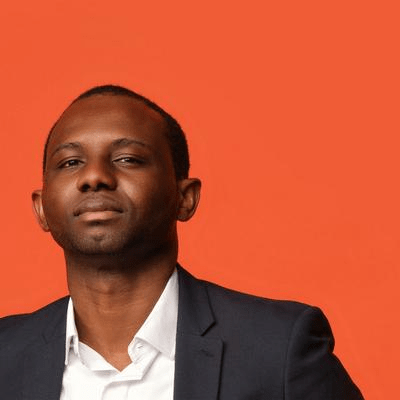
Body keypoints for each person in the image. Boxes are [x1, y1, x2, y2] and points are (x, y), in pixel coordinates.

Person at [0, 85, 363, 399]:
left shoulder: (279, 349)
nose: (94, 176)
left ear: (185, 198)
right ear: (41, 208)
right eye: (70, 162)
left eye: (128, 159)